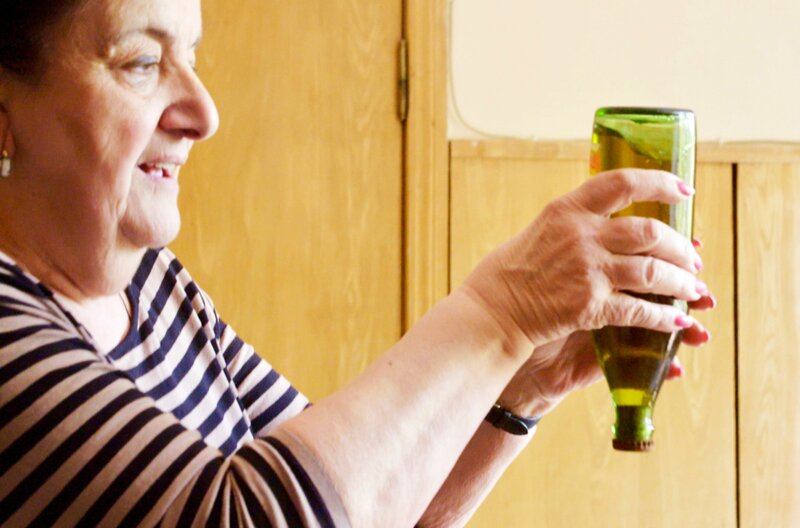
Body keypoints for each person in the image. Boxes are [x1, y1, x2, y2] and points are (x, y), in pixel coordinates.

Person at [0, 0, 714, 526]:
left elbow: (365, 507)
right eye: (142, 64)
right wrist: (502, 312)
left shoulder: (158, 287)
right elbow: (253, 516)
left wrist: (523, 386)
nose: (204, 111)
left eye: (192, 58)